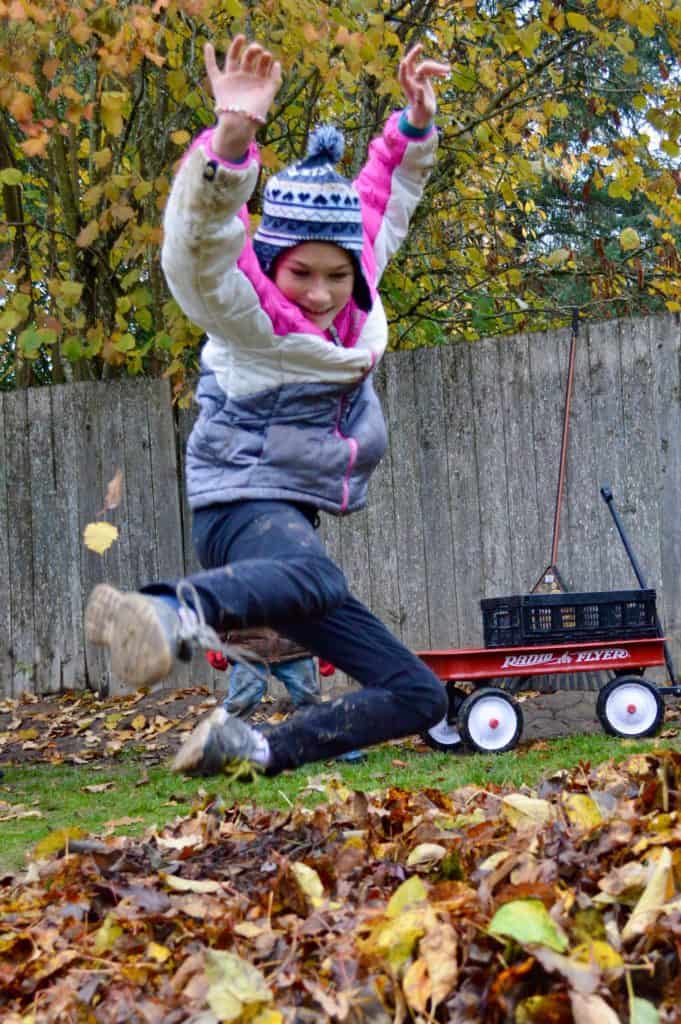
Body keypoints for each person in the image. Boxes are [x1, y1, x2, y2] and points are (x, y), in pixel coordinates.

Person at [85, 33, 450, 777]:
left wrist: (412, 125)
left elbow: (386, 200)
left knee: (418, 694)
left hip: (285, 539)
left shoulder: (355, 290)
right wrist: (228, 145)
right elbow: (198, 248)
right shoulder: (246, 309)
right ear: (270, 263)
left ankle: (249, 747)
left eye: (335, 276)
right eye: (299, 274)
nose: (317, 296)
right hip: (238, 515)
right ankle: (163, 611)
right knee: (318, 579)